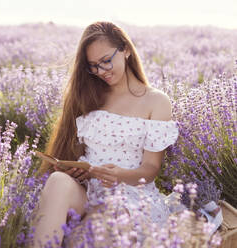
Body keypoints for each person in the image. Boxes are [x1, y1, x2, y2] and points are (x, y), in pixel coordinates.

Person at [29, 21, 179, 248]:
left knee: (83, 238)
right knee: (58, 180)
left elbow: (151, 169)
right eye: (93, 66)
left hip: (129, 196)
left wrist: (119, 175)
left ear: (126, 49)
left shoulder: (156, 101)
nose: (101, 71)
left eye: (106, 61)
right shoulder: (89, 94)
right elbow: (79, 151)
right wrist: (76, 170)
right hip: (88, 190)